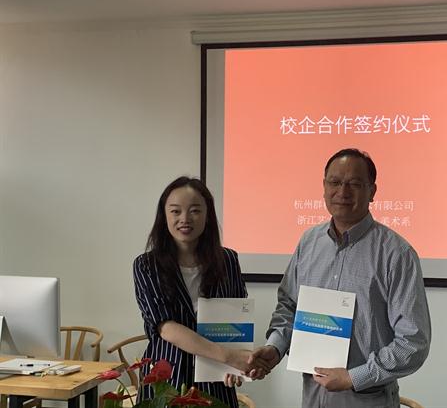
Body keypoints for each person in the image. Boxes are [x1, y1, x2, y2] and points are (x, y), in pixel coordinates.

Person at [250, 149, 431, 408]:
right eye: (334, 182)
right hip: (313, 397)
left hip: (367, 401)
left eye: (354, 184)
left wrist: (354, 377)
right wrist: (274, 348)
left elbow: (413, 342)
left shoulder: (396, 254)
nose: (342, 192)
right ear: (324, 187)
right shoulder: (309, 243)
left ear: (372, 191)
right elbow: (289, 307)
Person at [133, 176, 267, 408]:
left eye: (195, 210)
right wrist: (229, 356)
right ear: (164, 216)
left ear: (208, 215)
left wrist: (236, 367)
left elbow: (236, 319)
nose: (185, 219)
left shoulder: (227, 260)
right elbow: (166, 328)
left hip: (216, 379)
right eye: (175, 211)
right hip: (167, 377)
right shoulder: (146, 265)